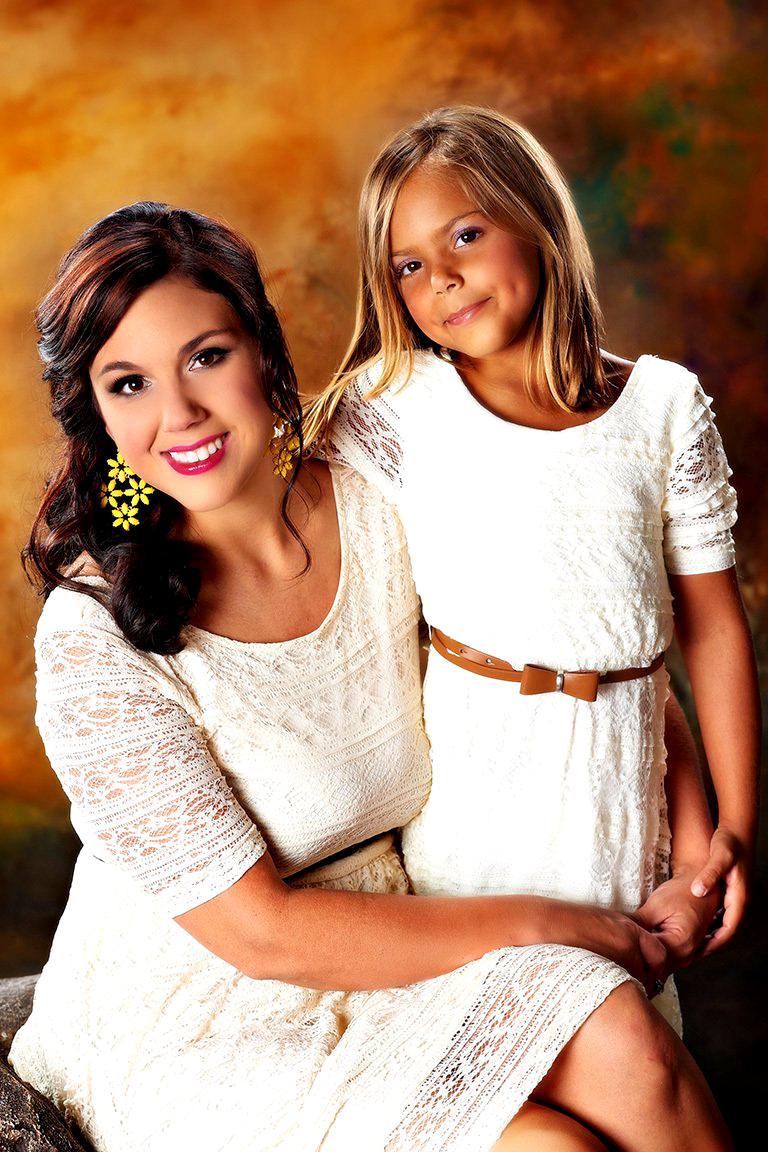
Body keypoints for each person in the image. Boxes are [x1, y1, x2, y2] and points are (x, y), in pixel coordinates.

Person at [8, 202, 732, 1152]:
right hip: (206, 1010)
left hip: (403, 924)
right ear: (97, 417)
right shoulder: (92, 636)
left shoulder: (377, 473)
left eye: (206, 356)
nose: (176, 415)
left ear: (263, 349)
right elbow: (261, 934)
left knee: (626, 1044)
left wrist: (700, 842)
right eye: (129, 382)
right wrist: (553, 925)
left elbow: (580, 636)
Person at [306, 106, 761, 1023]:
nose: (442, 279)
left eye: (465, 234)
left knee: (631, 1057)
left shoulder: (665, 409)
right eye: (407, 266)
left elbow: (707, 631)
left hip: (624, 833)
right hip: (472, 840)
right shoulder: (394, 405)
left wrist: (723, 843)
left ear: (539, 221)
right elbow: (257, 499)